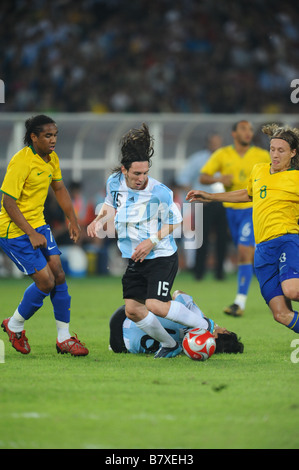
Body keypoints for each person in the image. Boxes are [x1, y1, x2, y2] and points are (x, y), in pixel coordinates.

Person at [87, 123, 222, 358]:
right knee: (132, 310)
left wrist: (151, 240)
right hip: (135, 258)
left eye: (145, 173)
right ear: (124, 170)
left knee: (156, 305)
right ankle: (170, 344)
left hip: (161, 256)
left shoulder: (160, 192)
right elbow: (110, 204)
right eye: (137, 173)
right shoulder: (114, 182)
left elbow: (176, 221)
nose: (142, 178)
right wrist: (98, 220)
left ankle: (204, 325)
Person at [186, 123, 299, 336]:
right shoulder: (259, 170)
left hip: (287, 240)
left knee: (292, 290)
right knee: (281, 314)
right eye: (272, 149)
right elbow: (248, 194)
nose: (275, 154)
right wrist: (211, 196)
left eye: (281, 150)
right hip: (263, 249)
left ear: (293, 153)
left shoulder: (296, 178)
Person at [0, 115, 88, 356]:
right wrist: (30, 233)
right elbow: (8, 202)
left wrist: (72, 219)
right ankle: (14, 325)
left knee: (58, 273)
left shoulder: (51, 159)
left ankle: (64, 338)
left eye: (55, 135)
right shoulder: (21, 161)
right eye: (48, 135)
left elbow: (59, 188)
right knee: (46, 281)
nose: (53, 140)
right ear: (34, 137)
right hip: (14, 231)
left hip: (38, 225)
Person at [199, 120, 270, 316]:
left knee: (243, 252)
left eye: (250, 130)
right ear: (234, 133)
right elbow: (203, 177)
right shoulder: (222, 154)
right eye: (243, 129)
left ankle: (239, 303)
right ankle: (277, 292)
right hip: (231, 211)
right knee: (251, 255)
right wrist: (219, 179)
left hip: (252, 209)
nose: (248, 133)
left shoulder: (262, 155)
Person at [109, 289, 244, 355]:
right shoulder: (194, 350)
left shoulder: (199, 317)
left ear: (222, 333)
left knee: (165, 302)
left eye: (225, 329)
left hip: (122, 317)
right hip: (122, 347)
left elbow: (178, 293)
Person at [175, 133, 227, 280]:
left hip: (223, 202)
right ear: (208, 143)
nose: (216, 146)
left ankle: (219, 273)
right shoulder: (198, 159)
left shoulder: (227, 158)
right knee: (201, 239)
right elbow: (182, 179)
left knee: (222, 239)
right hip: (204, 203)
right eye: (214, 143)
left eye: (219, 143)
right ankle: (199, 272)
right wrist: (195, 194)